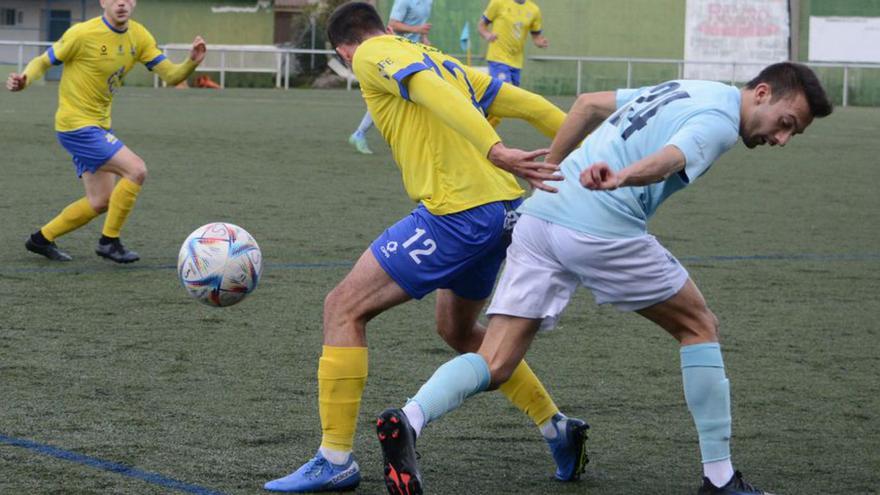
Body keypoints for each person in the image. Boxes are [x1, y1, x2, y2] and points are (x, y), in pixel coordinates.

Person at [376, 62, 833, 495]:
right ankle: (719, 478)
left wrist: (549, 169)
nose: (782, 138)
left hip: (541, 217)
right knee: (699, 327)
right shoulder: (717, 121)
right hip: (599, 226)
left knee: (496, 362)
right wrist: (623, 178)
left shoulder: (689, 86)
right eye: (786, 122)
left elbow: (589, 103)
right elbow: (672, 157)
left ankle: (410, 419)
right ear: (762, 93)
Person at [265, 3, 588, 493]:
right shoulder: (435, 56)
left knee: (342, 308)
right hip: (502, 210)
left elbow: (428, 91)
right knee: (457, 330)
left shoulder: (373, 54)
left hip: (457, 214)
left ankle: (334, 458)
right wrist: (601, 155)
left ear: (343, 48)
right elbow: (527, 103)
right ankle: (556, 427)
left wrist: (493, 147)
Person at [7, 0, 206, 264]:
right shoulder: (82, 33)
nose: (121, 3)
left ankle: (41, 239)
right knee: (136, 170)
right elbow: (43, 61)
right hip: (76, 125)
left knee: (100, 201)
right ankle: (109, 242)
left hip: (98, 126)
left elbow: (170, 76)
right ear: (103, 1)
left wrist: (191, 62)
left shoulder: (139, 36)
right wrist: (24, 79)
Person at [348, 0, 433, 155]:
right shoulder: (404, 1)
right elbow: (392, 25)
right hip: (394, 53)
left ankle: (415, 141)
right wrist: (418, 29)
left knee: (409, 97)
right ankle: (360, 133)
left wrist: (423, 38)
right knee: (392, 97)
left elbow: (421, 25)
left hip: (412, 53)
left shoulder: (428, 1)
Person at [478, 0, 548, 87]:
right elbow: (481, 25)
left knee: (512, 94)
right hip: (498, 57)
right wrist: (487, 35)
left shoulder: (534, 10)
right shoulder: (498, 2)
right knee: (504, 90)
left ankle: (483, 99)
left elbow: (536, 36)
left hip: (517, 62)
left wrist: (540, 42)